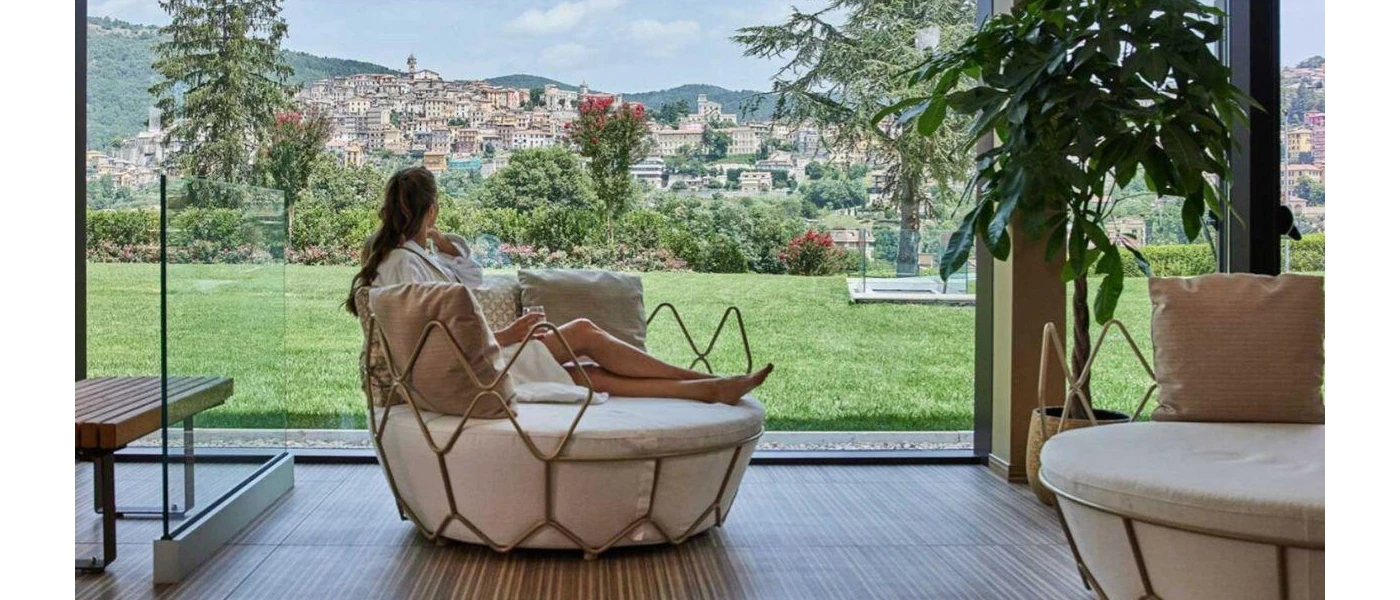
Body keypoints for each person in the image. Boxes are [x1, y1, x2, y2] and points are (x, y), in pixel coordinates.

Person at [345, 167, 772, 405]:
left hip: (474, 357)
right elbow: (432, 341)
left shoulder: (412, 258)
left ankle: (708, 389)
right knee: (583, 332)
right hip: (465, 369)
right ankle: (706, 381)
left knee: (586, 374)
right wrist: (510, 334)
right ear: (433, 208)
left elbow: (468, 281)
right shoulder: (403, 265)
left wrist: (442, 243)